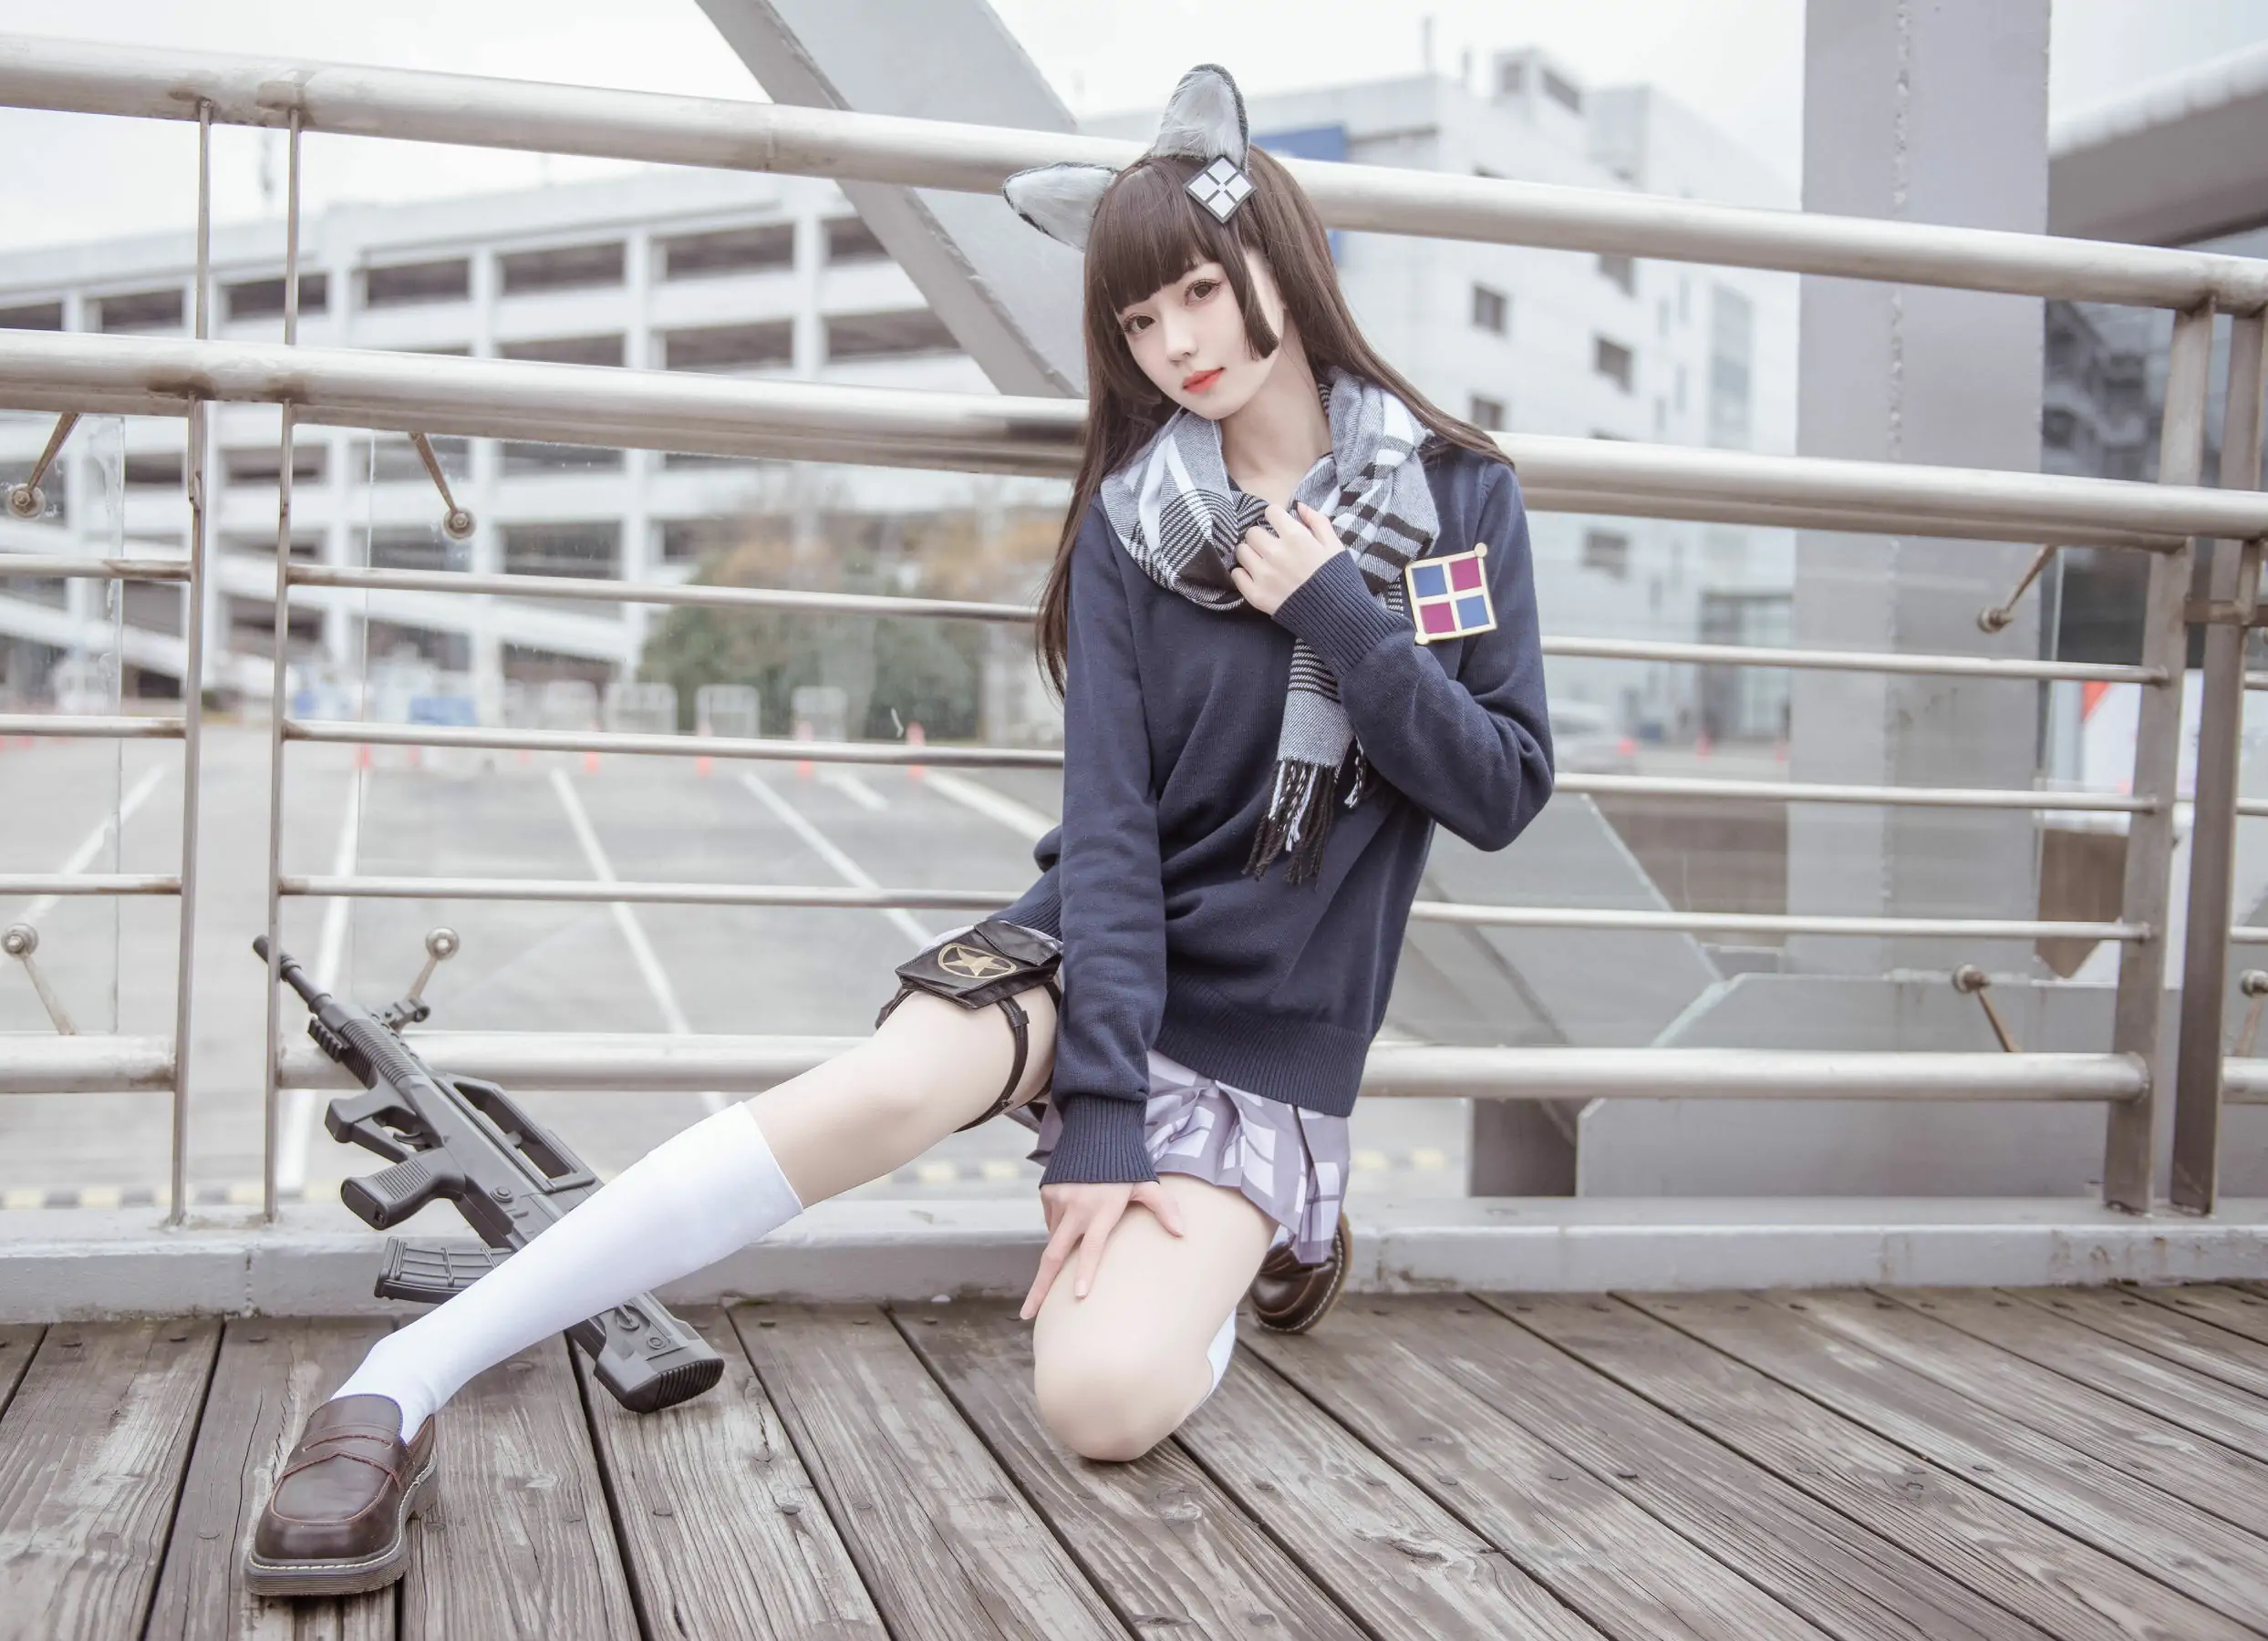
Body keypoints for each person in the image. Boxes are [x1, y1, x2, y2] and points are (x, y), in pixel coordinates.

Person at [242, 62, 1552, 1598]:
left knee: (1101, 1403)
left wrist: (1336, 608)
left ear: (1281, 258)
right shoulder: (1135, 526)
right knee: (879, 1088)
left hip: (1270, 1024)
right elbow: (1108, 832)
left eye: (1199, 291)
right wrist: (1104, 1117)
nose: (1176, 344)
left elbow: (1497, 789)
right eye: (1138, 321)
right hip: (1094, 952)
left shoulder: (1456, 498)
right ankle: (396, 1383)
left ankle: (1263, 1238)